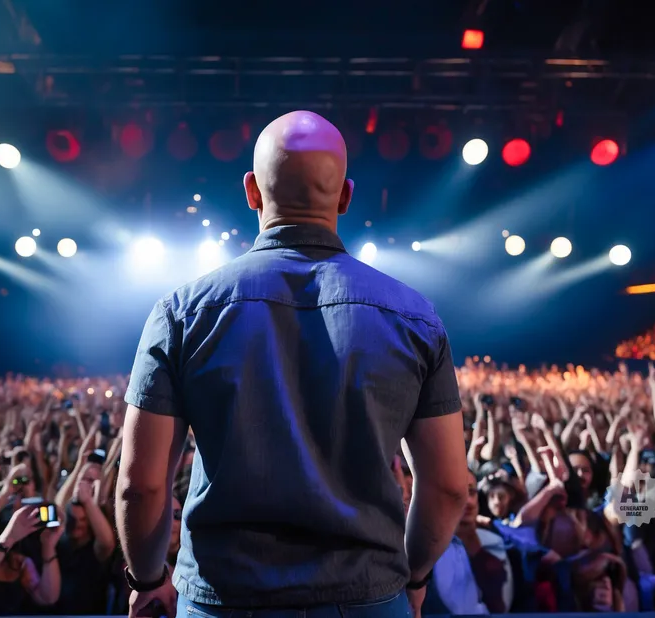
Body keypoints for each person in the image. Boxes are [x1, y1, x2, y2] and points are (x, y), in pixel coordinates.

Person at [116, 111, 469, 618]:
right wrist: (412, 578)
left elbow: (142, 484)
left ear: (252, 191)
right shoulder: (415, 318)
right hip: (368, 599)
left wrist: (147, 579)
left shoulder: (183, 313)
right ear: (345, 197)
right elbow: (448, 485)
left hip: (225, 598)